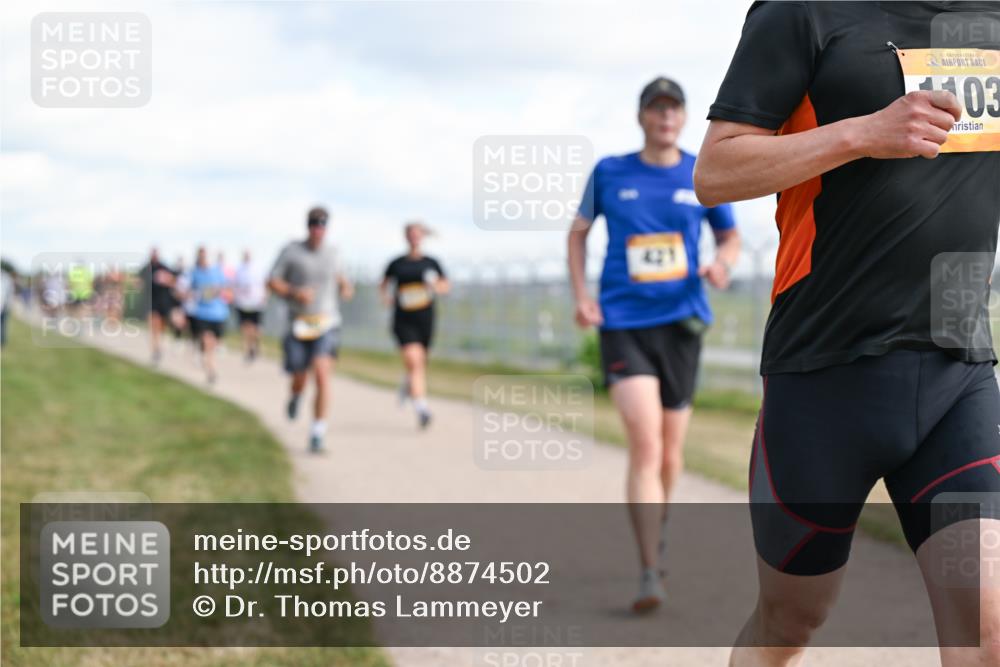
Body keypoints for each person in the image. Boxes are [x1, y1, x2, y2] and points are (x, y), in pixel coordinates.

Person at [694, 3, 1000, 665]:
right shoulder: (805, 10)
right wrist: (862, 133)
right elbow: (716, 172)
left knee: (987, 626)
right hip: (823, 375)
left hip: (958, 371)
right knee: (789, 622)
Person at [568, 76, 740, 613]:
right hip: (623, 321)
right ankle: (648, 571)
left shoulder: (701, 171)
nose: (665, 117)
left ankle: (658, 530)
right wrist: (582, 295)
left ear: (685, 118)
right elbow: (577, 232)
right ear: (642, 116)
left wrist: (722, 264)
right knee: (644, 447)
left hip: (683, 323)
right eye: (656, 108)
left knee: (670, 453)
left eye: (674, 109)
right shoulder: (611, 171)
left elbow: (729, 235)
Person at [268, 206, 354, 453]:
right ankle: (296, 395)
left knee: (322, 373)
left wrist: (346, 288)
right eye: (314, 223)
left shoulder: (334, 253)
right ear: (308, 226)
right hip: (298, 322)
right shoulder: (292, 251)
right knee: (299, 377)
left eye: (323, 224)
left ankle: (317, 433)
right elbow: (272, 281)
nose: (318, 228)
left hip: (327, 323)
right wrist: (295, 292)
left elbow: (341, 279)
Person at [380, 222, 450, 429]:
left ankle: (407, 383)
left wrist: (435, 286)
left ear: (422, 237)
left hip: (425, 319)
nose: (414, 238)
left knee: (419, 362)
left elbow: (445, 286)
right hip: (403, 319)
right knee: (414, 361)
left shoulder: (431, 263)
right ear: (406, 237)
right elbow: (383, 285)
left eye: (417, 235)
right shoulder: (396, 263)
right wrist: (386, 298)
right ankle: (422, 408)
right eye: (410, 234)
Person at [184, 246, 229, 384]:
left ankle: (206, 359)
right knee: (208, 342)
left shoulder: (217, 271)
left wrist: (216, 292)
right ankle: (211, 370)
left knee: (213, 344)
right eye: (200, 256)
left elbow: (225, 289)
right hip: (203, 314)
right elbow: (190, 291)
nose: (203, 258)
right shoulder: (195, 273)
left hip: (218, 313)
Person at [139, 248, 177, 364]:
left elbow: (174, 281)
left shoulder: (164, 267)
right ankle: (155, 349)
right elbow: (139, 281)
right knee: (153, 324)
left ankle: (159, 346)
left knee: (161, 326)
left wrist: (166, 280)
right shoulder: (146, 268)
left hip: (163, 302)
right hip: (151, 301)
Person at [233, 250, 267, 362]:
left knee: (255, 329)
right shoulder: (239, 269)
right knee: (245, 328)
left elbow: (265, 283)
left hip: (256, 303)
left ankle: (255, 345)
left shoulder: (258, 269)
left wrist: (264, 296)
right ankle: (247, 350)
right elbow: (234, 285)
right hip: (242, 303)